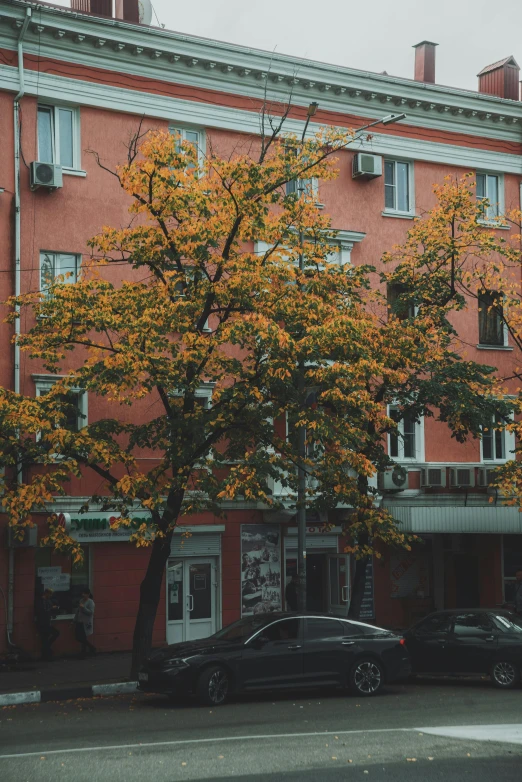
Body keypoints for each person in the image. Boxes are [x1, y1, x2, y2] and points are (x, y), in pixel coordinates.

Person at [35, 588, 60, 661]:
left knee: (45, 639)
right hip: (42, 623)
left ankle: (46, 653)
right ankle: (46, 653)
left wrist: (53, 611)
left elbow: (47, 610)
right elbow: (43, 610)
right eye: (50, 594)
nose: (51, 596)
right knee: (52, 634)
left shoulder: (47, 600)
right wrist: (52, 608)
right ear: (46, 593)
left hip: (46, 622)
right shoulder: (41, 601)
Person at [74, 589, 96, 657]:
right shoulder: (81, 600)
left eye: (84, 594)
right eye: (82, 593)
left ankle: (83, 653)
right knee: (79, 637)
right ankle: (91, 648)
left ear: (88, 594)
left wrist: (84, 608)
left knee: (83, 637)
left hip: (86, 622)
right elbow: (78, 611)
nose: (83, 595)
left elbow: (91, 612)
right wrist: (74, 620)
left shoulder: (91, 602)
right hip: (79, 621)